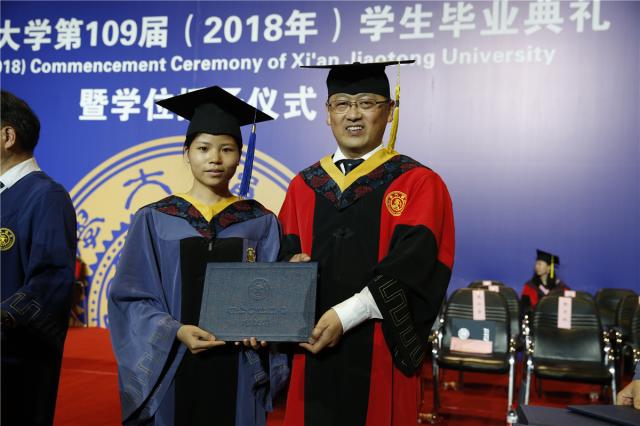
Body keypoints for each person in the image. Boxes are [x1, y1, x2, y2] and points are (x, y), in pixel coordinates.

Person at [279, 61, 455, 425]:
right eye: (342, 104)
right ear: (328, 113)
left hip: (379, 353)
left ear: (389, 111)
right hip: (311, 349)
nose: (353, 114)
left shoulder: (418, 183)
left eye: (367, 102)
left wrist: (345, 316)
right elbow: (282, 255)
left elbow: (415, 267)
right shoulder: (304, 186)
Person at [108, 86, 288, 426]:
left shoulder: (260, 221)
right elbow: (130, 298)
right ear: (186, 153)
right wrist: (175, 331)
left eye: (227, 149)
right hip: (174, 363)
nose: (215, 159)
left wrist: (263, 327)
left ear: (241, 155)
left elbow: (272, 298)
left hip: (239, 366)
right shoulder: (154, 218)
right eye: (203, 148)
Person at [0, 90, 77, 426]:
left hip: (15, 361)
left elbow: (52, 279)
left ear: (7, 136)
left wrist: (5, 316)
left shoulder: (46, 196)